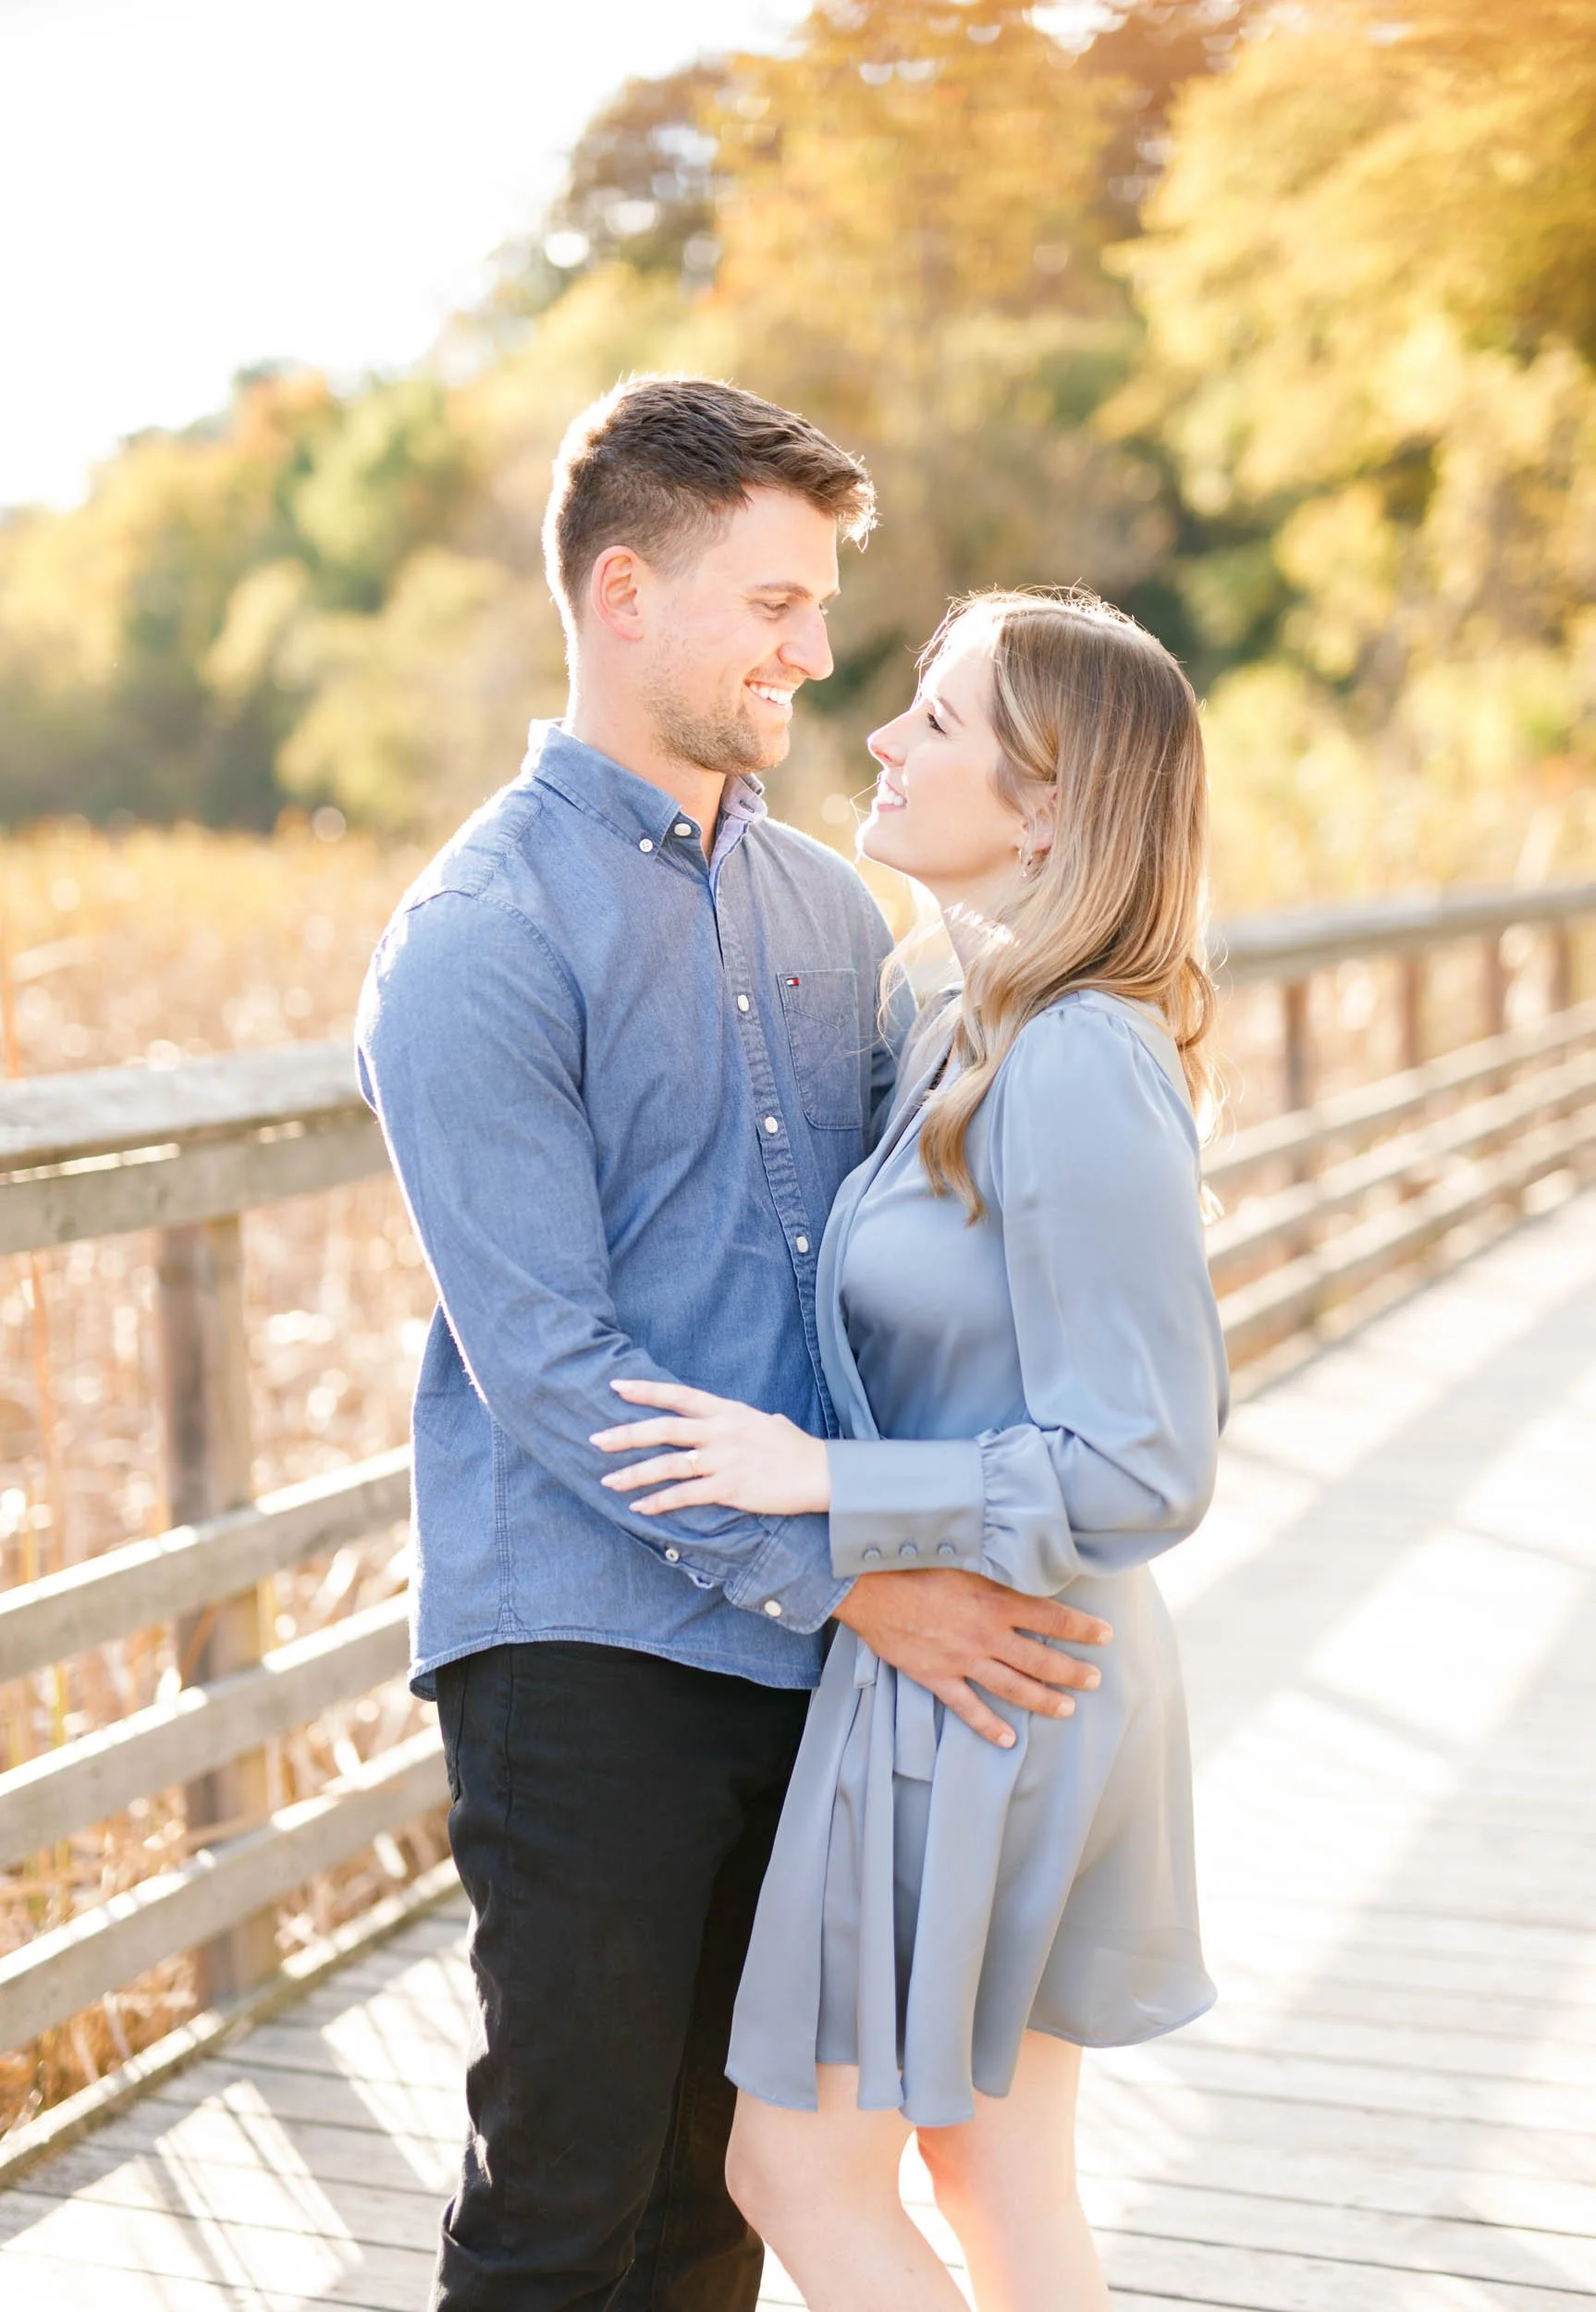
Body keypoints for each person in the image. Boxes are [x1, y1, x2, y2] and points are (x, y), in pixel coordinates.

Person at [356, 384, 1112, 2312]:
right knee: (565, 2181)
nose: (812, 647)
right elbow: (547, 1365)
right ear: (624, 592)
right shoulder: (479, 932)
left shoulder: (825, 905)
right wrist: (859, 1581)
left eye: (816, 601)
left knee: (721, 2196)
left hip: (816, 1652)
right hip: (582, 1644)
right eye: (771, 600)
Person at [594, 586, 1228, 2312]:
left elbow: (1146, 1463)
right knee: (994, 2170)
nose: (878, 735)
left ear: (1046, 801)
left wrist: (825, 1485)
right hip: (983, 1667)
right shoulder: (949, 1017)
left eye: (935, 721)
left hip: (1000, 1675)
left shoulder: (1081, 1053)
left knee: (793, 2168)